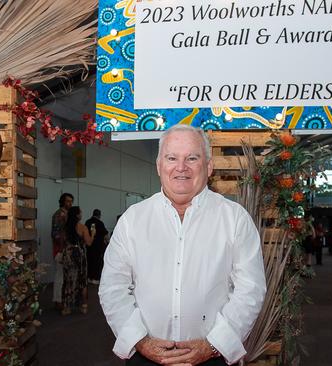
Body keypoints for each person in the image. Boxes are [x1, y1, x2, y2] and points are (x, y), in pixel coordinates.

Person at [99, 125, 266, 366]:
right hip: (146, 358)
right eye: (171, 158)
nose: (181, 167)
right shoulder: (132, 220)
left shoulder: (235, 219)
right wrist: (141, 342)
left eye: (192, 158)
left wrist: (213, 344)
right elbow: (112, 288)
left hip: (212, 358)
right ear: (159, 166)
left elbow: (250, 289)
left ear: (208, 166)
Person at [61, 206, 95, 315]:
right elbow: (89, 242)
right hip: (79, 255)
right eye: (80, 213)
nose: (81, 214)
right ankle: (84, 306)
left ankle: (66, 308)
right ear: (77, 215)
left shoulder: (65, 227)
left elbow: (62, 241)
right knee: (82, 281)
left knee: (68, 281)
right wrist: (93, 234)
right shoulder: (82, 227)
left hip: (68, 254)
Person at [51, 192, 73, 309]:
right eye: (67, 201)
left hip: (66, 249)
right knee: (60, 276)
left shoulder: (68, 214)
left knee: (65, 276)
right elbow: (55, 234)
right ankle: (58, 300)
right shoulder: (59, 214)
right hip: (60, 250)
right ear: (62, 201)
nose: (70, 203)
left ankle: (61, 299)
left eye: (71, 201)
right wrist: (64, 243)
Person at [85, 209, 109, 285]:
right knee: (97, 262)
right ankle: (95, 279)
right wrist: (108, 242)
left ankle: (89, 277)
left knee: (89, 261)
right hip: (98, 246)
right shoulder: (100, 223)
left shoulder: (87, 222)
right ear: (99, 215)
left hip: (89, 246)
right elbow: (105, 235)